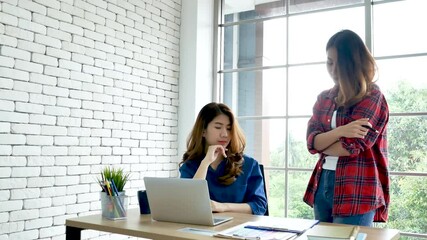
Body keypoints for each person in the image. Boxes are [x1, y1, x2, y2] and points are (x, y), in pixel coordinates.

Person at [303, 29, 390, 226]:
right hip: (323, 181)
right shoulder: (324, 98)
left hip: (357, 186)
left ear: (353, 63)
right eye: (329, 62)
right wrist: (340, 131)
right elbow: (310, 141)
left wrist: (322, 141)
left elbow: (351, 147)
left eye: (338, 63)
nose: (333, 70)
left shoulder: (372, 97)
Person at [179, 102, 267, 215]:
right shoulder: (190, 166)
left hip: (237, 229)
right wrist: (205, 163)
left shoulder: (249, 164)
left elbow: (259, 206)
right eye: (218, 127)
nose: (225, 134)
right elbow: (189, 204)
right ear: (203, 131)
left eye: (229, 128)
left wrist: (223, 207)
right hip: (201, 230)